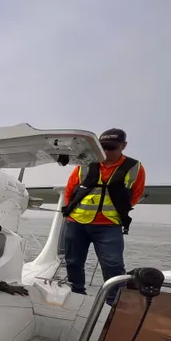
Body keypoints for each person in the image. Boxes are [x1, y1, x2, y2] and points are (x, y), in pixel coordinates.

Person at [62, 128, 145, 305]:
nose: (106, 152)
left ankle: (113, 302)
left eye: (112, 148)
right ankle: (77, 293)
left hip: (109, 225)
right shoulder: (85, 164)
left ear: (123, 146)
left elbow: (136, 194)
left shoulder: (134, 168)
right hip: (77, 222)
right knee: (73, 261)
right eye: (102, 147)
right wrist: (71, 213)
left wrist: (118, 210)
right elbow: (70, 190)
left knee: (113, 264)